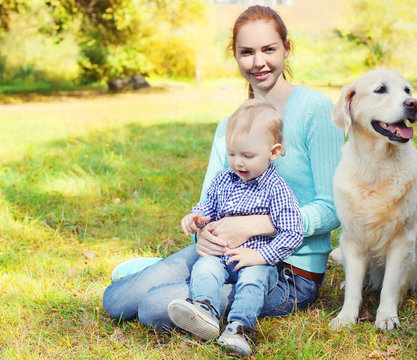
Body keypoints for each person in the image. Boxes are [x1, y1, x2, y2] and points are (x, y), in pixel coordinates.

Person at [102, 4, 344, 341]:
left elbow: (335, 208)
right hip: (222, 256)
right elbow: (207, 203)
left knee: (152, 308)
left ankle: (159, 276)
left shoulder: (316, 111)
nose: (259, 62)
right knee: (115, 301)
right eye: (247, 52)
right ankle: (155, 272)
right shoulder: (229, 127)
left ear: (287, 49)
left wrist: (255, 225)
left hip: (289, 272)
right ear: (235, 55)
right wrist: (201, 232)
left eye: (269, 49)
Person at [170, 99, 303, 356]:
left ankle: (239, 327)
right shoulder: (223, 179)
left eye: (248, 156)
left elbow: (292, 232)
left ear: (273, 152)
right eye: (232, 154)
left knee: (254, 281)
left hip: (255, 260)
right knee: (205, 267)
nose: (239, 163)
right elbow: (207, 206)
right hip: (221, 255)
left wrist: (262, 256)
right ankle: (205, 311)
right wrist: (195, 217)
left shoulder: (277, 189)